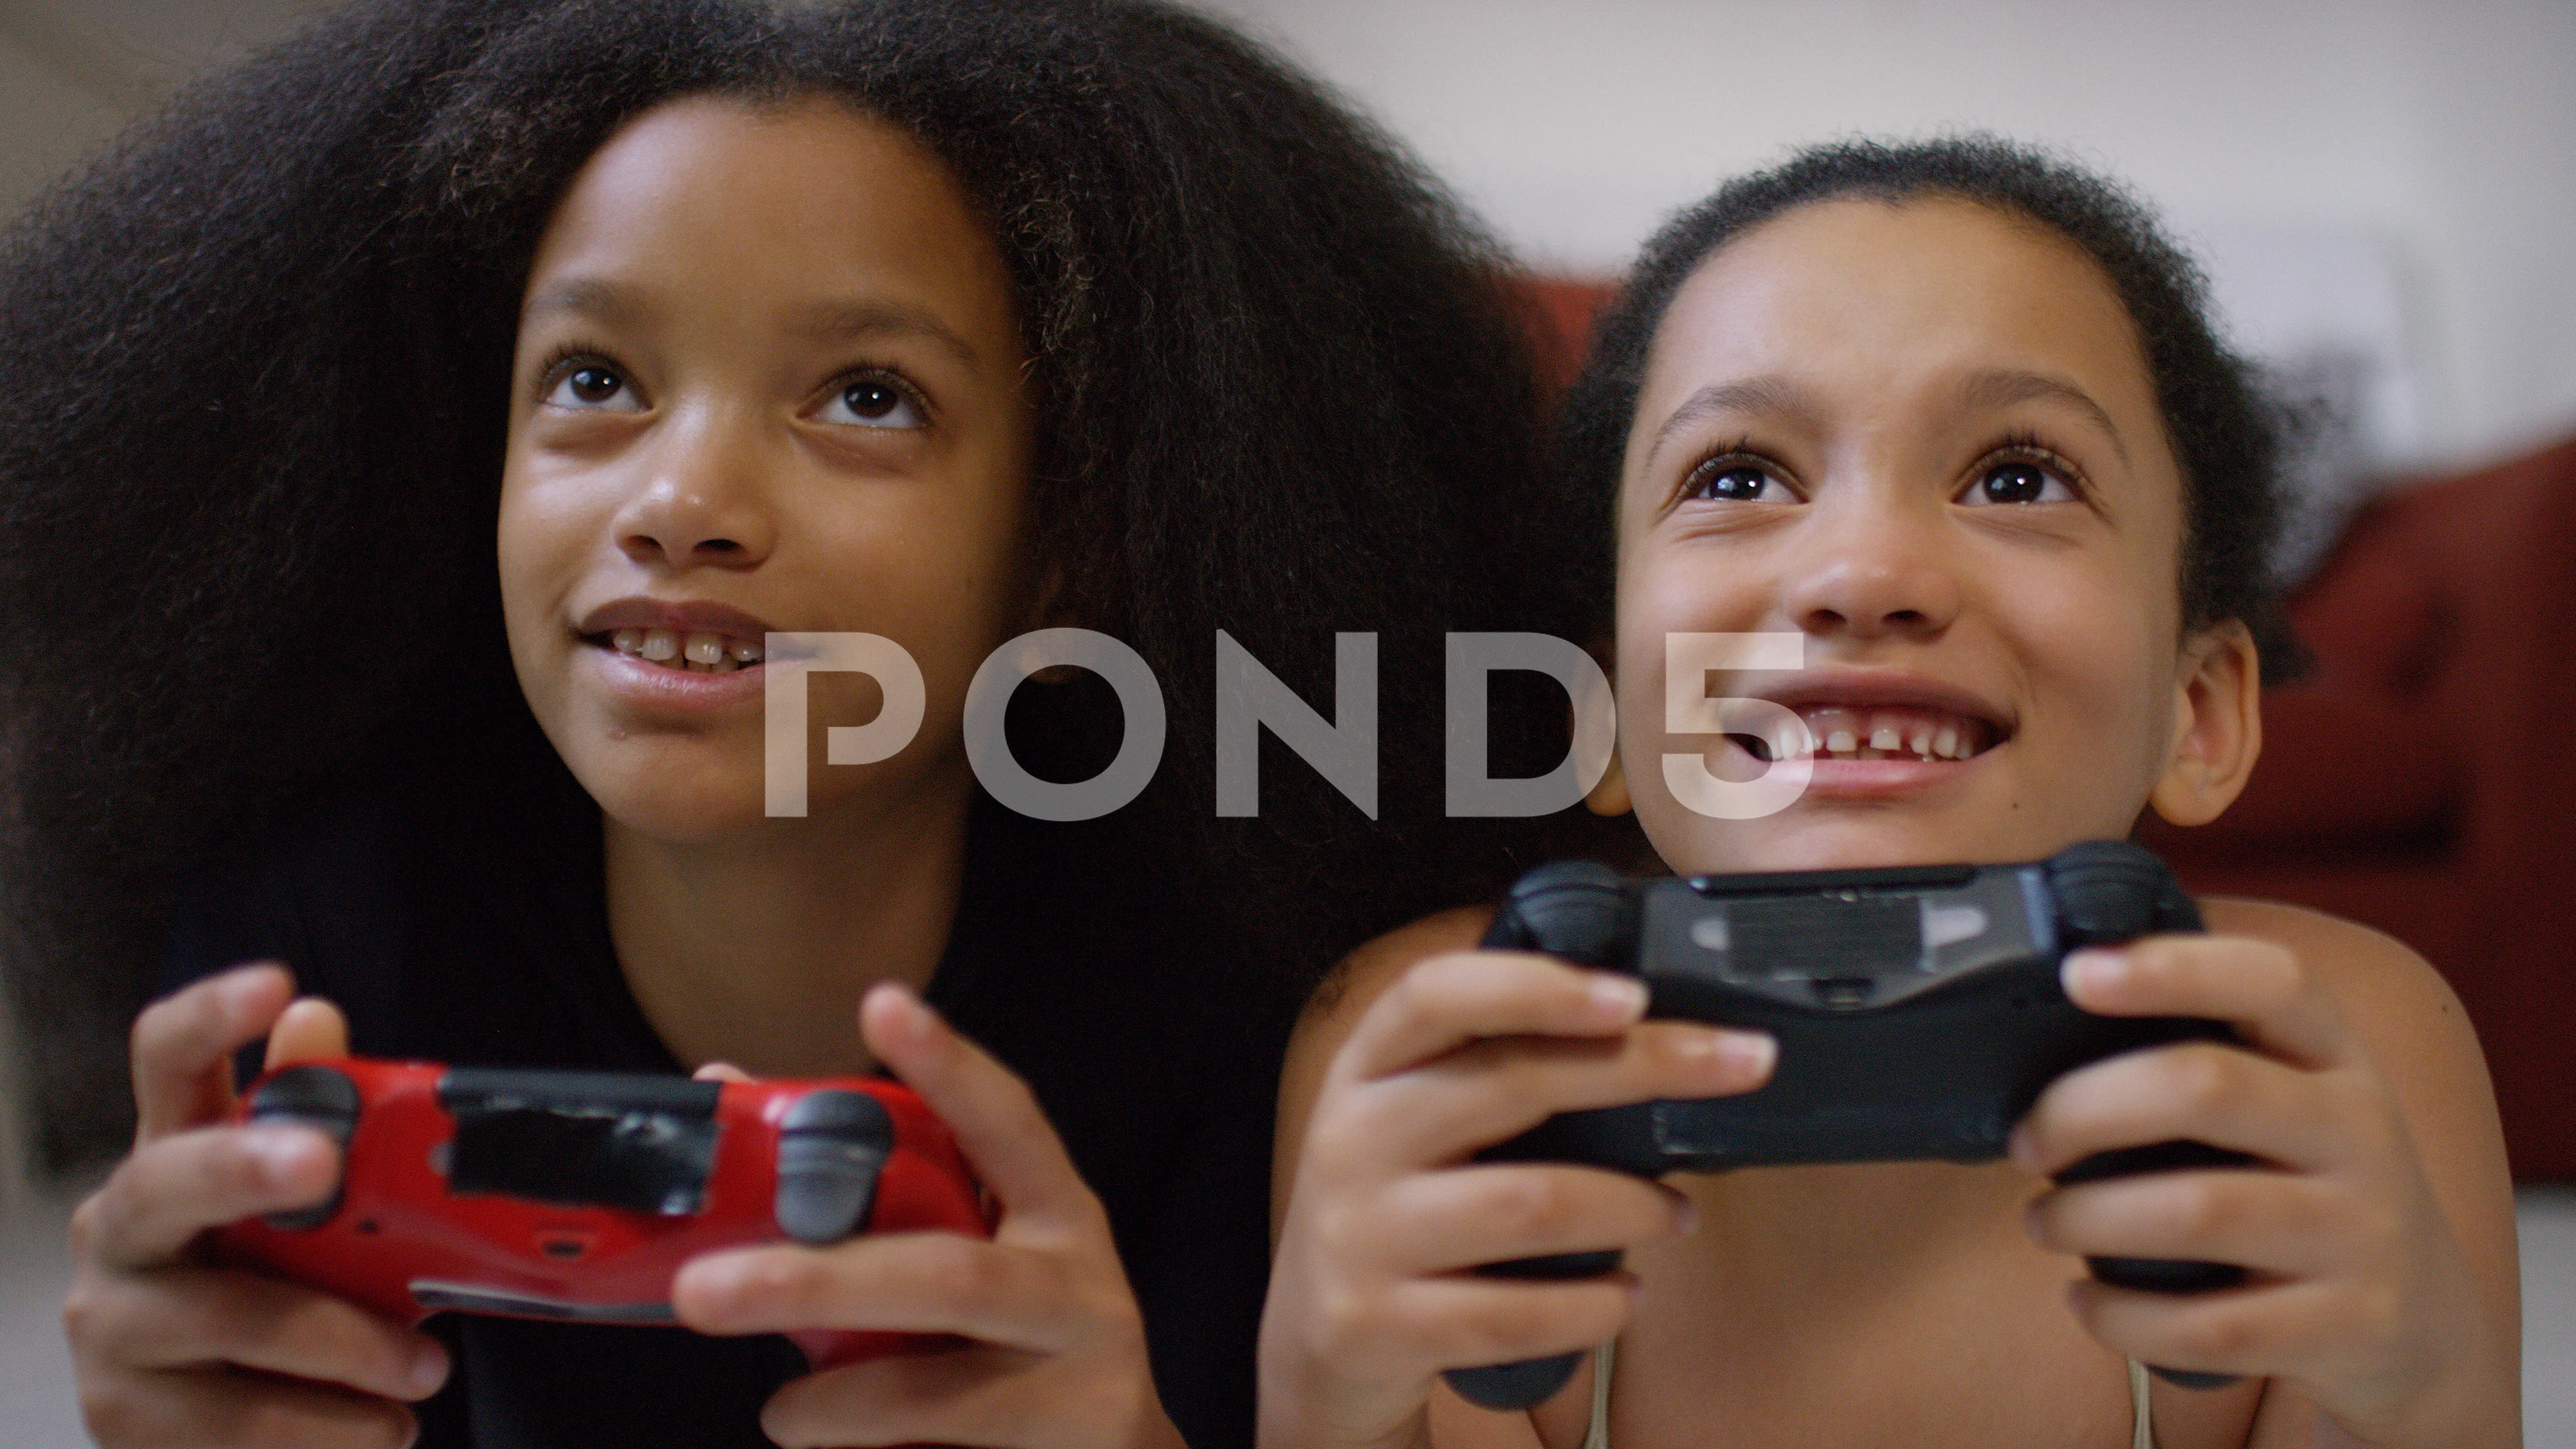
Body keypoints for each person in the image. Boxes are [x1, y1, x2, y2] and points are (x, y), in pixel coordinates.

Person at [0, 2, 1595, 1445]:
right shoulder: (311, 927)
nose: (681, 499)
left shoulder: (1248, 1009)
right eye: (594, 376)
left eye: (867, 398)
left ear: (1068, 563)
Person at [1260, 138, 2521, 1449]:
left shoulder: (2330, 1054)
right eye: (1738, 478)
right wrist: (1321, 1403)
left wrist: (2419, 1393)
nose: (1864, 570)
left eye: (2018, 479)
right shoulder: (1439, 1060)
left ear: (2197, 713)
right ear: (1599, 719)